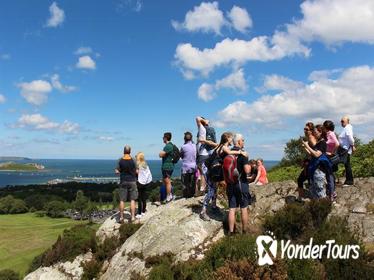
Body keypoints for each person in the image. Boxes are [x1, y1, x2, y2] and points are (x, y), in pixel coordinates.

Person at [200, 132, 246, 221]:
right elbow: (229, 152)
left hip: (209, 168)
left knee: (214, 188)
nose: (232, 140)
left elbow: (212, 144)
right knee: (211, 190)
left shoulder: (220, 145)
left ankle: (213, 206)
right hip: (207, 169)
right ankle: (203, 211)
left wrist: (204, 140)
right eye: (231, 138)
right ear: (227, 138)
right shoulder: (224, 147)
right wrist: (240, 152)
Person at [227, 133, 251, 235]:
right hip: (241, 184)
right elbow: (246, 170)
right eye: (243, 140)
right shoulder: (243, 154)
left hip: (230, 184)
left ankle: (231, 233)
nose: (244, 141)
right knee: (244, 208)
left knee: (232, 209)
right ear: (238, 141)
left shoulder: (228, 152)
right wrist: (249, 166)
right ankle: (244, 232)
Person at [302, 125, 331, 199]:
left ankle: (323, 207)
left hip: (319, 170)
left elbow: (317, 154)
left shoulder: (322, 143)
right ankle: (317, 208)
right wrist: (305, 148)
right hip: (315, 169)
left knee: (320, 191)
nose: (314, 134)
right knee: (314, 192)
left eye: (315, 132)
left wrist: (307, 146)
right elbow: (312, 154)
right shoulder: (318, 143)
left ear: (320, 132)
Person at [115, 145, 138, 223]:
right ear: (130, 151)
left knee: (122, 200)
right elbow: (137, 171)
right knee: (132, 200)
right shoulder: (134, 160)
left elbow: (117, 171)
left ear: (124, 151)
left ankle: (121, 217)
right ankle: (132, 217)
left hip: (123, 181)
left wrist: (120, 171)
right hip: (132, 181)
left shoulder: (120, 160)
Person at [196, 116, 217, 192]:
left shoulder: (201, 129)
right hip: (209, 152)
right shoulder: (211, 129)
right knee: (206, 171)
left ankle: (202, 189)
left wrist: (204, 121)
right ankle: (207, 188)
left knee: (202, 172)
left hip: (202, 153)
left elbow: (197, 118)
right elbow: (215, 143)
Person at [297, 122, 316, 198]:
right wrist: (305, 146)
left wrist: (306, 146)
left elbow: (314, 152)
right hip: (310, 163)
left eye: (306, 129)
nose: (304, 131)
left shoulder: (311, 138)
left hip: (311, 163)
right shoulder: (310, 138)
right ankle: (302, 198)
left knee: (303, 180)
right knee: (304, 180)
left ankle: (303, 198)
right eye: (304, 129)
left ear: (311, 130)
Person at [323, 120, 339, 201]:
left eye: (324, 126)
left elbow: (337, 144)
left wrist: (331, 153)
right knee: (330, 175)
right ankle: (332, 191)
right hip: (328, 157)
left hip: (330, 158)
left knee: (329, 175)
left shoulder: (331, 133)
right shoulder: (328, 134)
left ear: (326, 127)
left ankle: (332, 194)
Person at [338, 116, 355, 186]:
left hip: (345, 149)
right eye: (341, 121)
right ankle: (348, 180)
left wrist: (353, 145)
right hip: (344, 149)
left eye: (343, 121)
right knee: (346, 164)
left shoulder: (348, 128)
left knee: (347, 165)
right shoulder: (346, 128)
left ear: (347, 121)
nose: (341, 123)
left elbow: (350, 138)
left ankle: (349, 181)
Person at [159, 132, 175, 203]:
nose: (162, 139)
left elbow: (161, 154)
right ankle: (169, 195)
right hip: (169, 166)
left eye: (163, 137)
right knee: (166, 181)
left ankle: (169, 196)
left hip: (167, 167)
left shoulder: (168, 146)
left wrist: (160, 153)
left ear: (165, 138)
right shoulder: (170, 145)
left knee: (167, 181)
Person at [135, 152, 152, 218]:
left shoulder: (138, 165)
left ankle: (139, 213)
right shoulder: (145, 164)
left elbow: (137, 172)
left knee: (139, 198)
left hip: (140, 182)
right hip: (146, 183)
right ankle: (143, 211)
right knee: (144, 197)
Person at [180, 132, 197, 198]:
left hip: (186, 166)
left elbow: (181, 155)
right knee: (193, 181)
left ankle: (186, 195)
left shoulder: (183, 147)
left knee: (185, 182)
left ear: (184, 139)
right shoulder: (195, 146)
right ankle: (192, 194)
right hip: (194, 166)